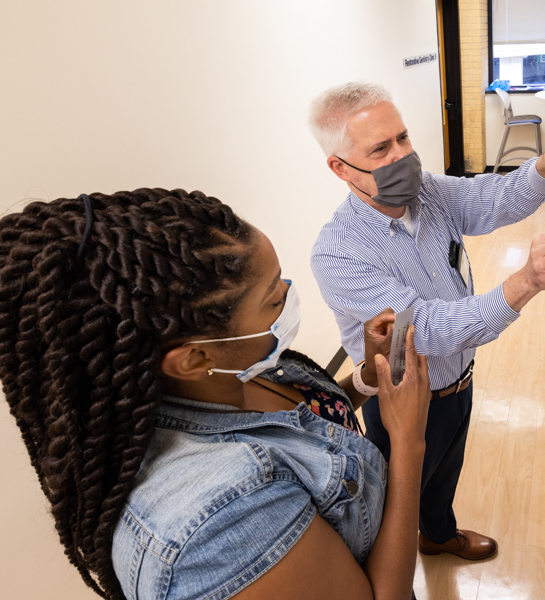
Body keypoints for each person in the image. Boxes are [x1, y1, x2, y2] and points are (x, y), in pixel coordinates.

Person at [0, 188, 432, 600]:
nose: (287, 294)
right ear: (192, 358)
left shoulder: (227, 370)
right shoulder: (221, 523)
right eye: (272, 298)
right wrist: (408, 441)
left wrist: (367, 381)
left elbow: (302, 424)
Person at [308, 82, 545, 559]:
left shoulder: (425, 193)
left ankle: (438, 535)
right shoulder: (340, 254)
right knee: (391, 510)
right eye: (381, 148)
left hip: (459, 381)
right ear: (340, 168)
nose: (404, 156)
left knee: (446, 472)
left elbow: (489, 198)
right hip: (405, 401)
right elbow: (426, 330)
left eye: (403, 138)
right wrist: (525, 280)